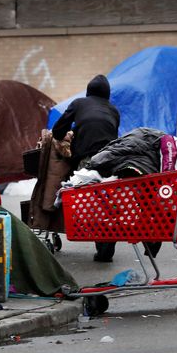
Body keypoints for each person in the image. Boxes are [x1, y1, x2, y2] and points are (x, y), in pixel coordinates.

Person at [52, 74, 120, 262]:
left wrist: (73, 132)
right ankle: (107, 244)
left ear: (89, 91)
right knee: (108, 200)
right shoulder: (113, 110)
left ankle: (101, 243)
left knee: (93, 202)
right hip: (112, 159)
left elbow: (58, 130)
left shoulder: (79, 103)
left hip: (88, 160)